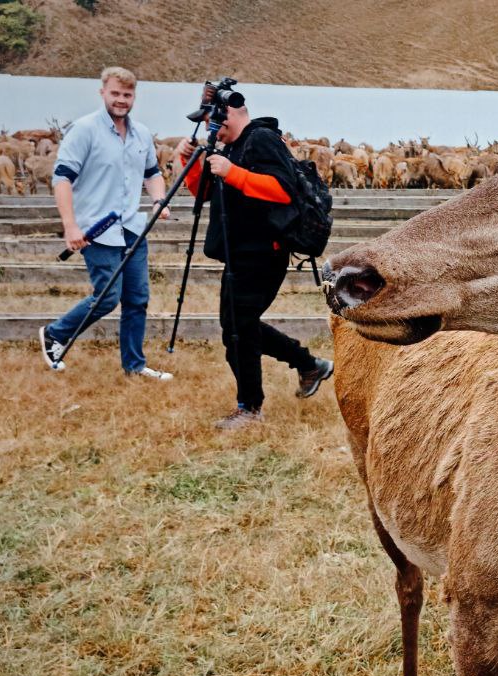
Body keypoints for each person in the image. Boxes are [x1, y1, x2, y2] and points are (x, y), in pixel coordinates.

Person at [173, 99, 332, 430]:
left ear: (228, 114)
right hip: (239, 253)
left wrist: (234, 174)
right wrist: (189, 161)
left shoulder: (260, 139)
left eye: (211, 121)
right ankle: (308, 365)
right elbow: (203, 194)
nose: (208, 129)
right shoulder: (231, 147)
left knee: (238, 329)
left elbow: (283, 190)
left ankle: (250, 408)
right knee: (236, 326)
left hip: (262, 253)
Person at [39, 66, 174, 379]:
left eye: (127, 95)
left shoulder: (141, 133)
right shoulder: (84, 130)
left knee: (137, 298)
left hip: (132, 227)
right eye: (115, 93)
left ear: (134, 97)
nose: (121, 100)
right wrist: (70, 226)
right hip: (95, 229)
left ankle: (134, 366)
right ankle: (56, 334)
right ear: (103, 92)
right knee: (107, 297)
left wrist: (157, 200)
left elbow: (153, 173)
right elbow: (62, 179)